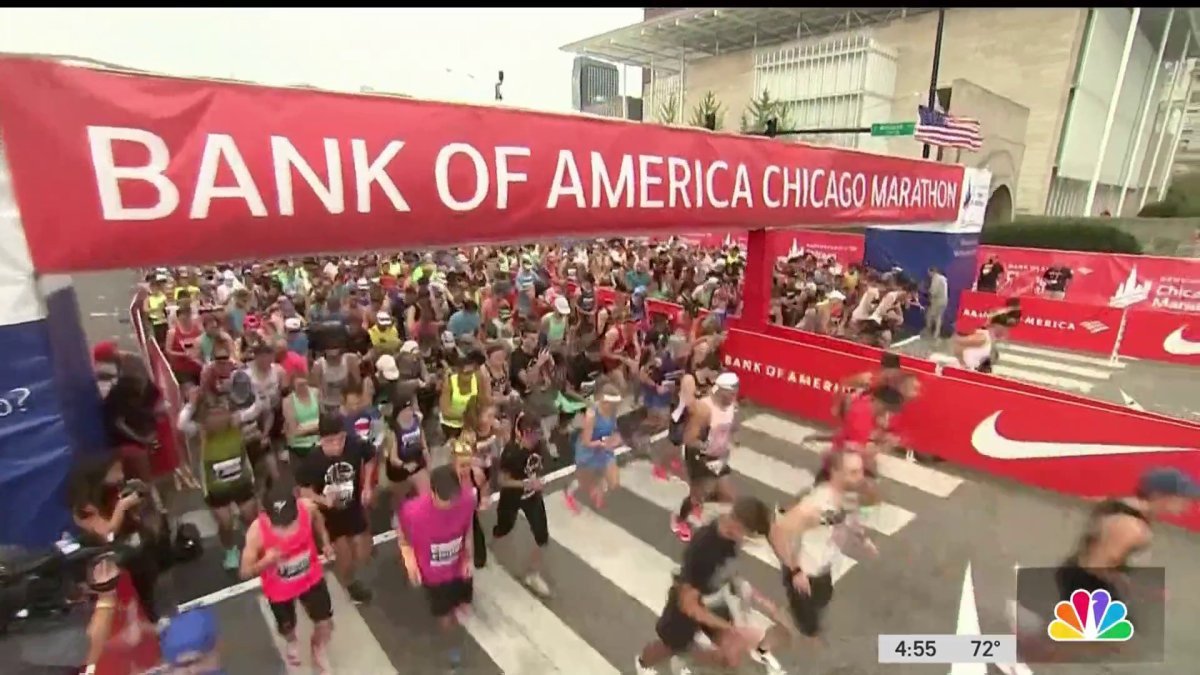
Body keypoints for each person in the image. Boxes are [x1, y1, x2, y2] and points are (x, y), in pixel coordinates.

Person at [635, 496, 774, 675]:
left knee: (729, 658)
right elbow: (689, 606)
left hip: (712, 598)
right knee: (669, 646)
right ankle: (644, 664)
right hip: (686, 611)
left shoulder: (729, 534)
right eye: (748, 533)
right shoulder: (703, 551)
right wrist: (733, 629)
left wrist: (756, 599)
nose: (747, 538)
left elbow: (727, 572)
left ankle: (688, 663)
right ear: (738, 524)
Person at [769, 451, 877, 642]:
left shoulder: (848, 495)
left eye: (860, 471)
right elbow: (779, 531)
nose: (859, 478)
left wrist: (863, 539)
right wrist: (796, 571)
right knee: (806, 621)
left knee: (821, 601)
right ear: (835, 473)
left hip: (823, 567)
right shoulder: (817, 504)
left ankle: (799, 618)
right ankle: (785, 632)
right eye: (853, 472)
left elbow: (847, 519)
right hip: (805, 573)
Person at [241, 485, 335, 673]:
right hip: (279, 590)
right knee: (287, 628)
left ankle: (317, 647)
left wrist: (324, 542)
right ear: (265, 512)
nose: (284, 526)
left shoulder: (307, 507)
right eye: (279, 522)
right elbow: (244, 572)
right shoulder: (256, 532)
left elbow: (318, 519)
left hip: (311, 578)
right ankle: (292, 642)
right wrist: (265, 562)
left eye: (288, 520)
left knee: (325, 623)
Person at [397, 463, 477, 670]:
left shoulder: (467, 499)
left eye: (454, 499)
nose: (451, 505)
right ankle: (452, 647)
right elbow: (404, 539)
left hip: (459, 567)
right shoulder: (412, 511)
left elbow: (468, 529)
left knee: (463, 604)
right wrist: (410, 563)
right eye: (445, 501)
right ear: (431, 493)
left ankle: (460, 607)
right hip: (434, 576)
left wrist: (468, 557)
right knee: (444, 618)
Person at [296, 414, 377, 604]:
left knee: (363, 552)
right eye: (330, 441)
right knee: (345, 557)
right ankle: (349, 584)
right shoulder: (313, 460)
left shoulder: (355, 445)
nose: (337, 445)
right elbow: (302, 490)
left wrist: (366, 486)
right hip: (331, 517)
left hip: (353, 507)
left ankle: (352, 573)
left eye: (340, 439)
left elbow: (371, 457)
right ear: (321, 440)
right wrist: (323, 500)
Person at [672, 372, 740, 542]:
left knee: (727, 496)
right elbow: (689, 439)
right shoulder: (704, 409)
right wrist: (708, 447)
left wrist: (729, 440)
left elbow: (731, 426)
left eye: (735, 393)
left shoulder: (732, 404)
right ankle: (679, 519)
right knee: (697, 495)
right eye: (730, 393)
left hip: (718, 455)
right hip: (699, 456)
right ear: (720, 390)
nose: (733, 397)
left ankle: (701, 500)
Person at [493, 412, 552, 596]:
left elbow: (537, 467)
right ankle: (492, 548)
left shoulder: (539, 446)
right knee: (504, 527)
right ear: (519, 433)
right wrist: (525, 483)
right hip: (512, 496)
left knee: (542, 536)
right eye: (529, 434)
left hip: (532, 497)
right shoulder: (511, 452)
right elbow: (502, 481)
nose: (532, 439)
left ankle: (533, 574)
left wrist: (537, 481)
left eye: (535, 434)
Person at [564, 382, 624, 513]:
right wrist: (603, 444)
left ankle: (597, 491)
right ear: (605, 402)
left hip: (605, 449)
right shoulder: (592, 415)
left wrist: (616, 439)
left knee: (614, 482)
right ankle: (570, 491)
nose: (616, 407)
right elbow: (586, 441)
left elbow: (615, 430)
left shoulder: (612, 411)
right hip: (588, 451)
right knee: (584, 482)